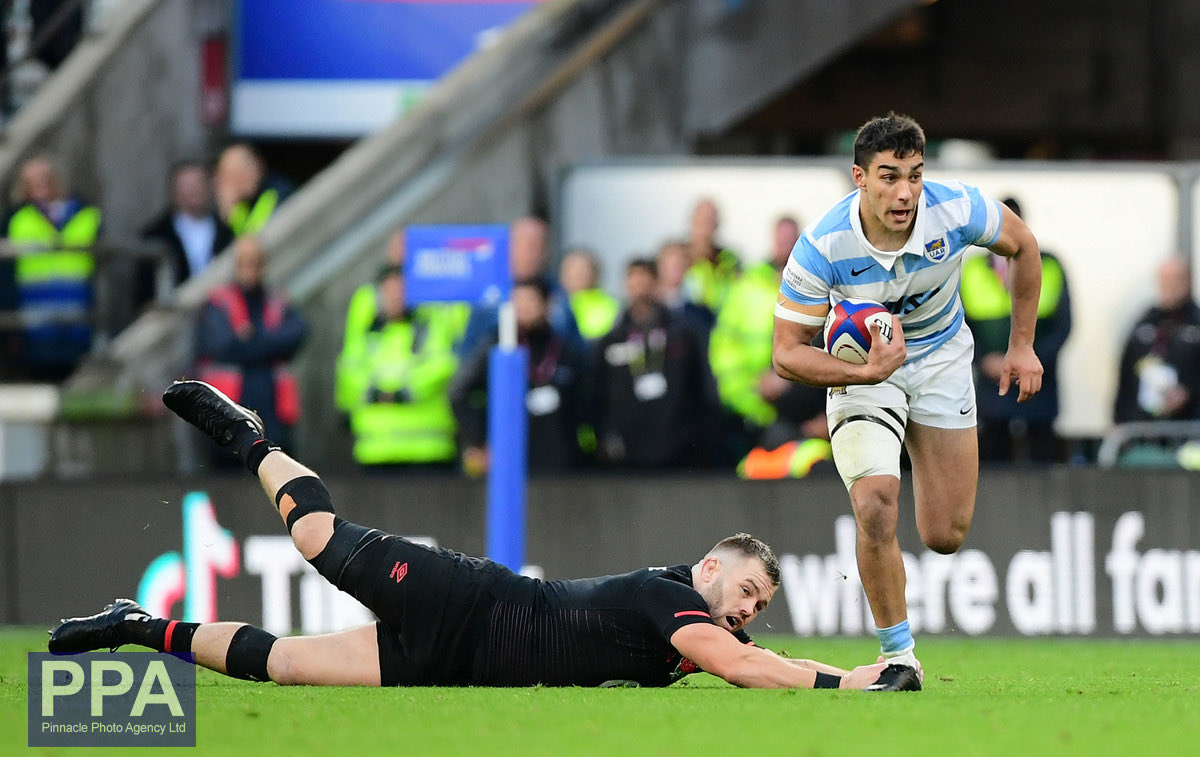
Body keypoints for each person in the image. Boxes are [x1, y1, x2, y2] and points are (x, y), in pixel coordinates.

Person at [48, 379, 889, 691]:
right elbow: (747, 668)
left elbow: (765, 661)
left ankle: (135, 623)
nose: (750, 611)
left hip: (456, 664)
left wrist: (856, 671)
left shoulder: (696, 618)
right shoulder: (667, 599)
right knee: (318, 538)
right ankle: (251, 438)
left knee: (286, 663)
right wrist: (840, 688)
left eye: (760, 604)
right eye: (747, 591)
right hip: (466, 599)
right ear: (711, 567)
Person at [772, 113, 1044, 691]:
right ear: (859, 178)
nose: (904, 192)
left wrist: (1022, 344)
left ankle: (918, 442)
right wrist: (868, 370)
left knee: (946, 534)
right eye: (889, 176)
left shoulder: (956, 208)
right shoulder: (822, 244)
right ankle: (900, 658)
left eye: (915, 176)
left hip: (942, 360)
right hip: (863, 372)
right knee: (875, 503)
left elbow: (1023, 245)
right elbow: (786, 354)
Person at [710, 216, 830, 477]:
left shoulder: (823, 285)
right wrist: (751, 394)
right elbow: (725, 349)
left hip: (810, 406)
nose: (786, 245)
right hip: (760, 410)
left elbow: (830, 348)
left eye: (791, 239)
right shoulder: (748, 286)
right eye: (782, 238)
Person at [961, 197, 1071, 463]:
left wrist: (1029, 360)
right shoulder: (973, 268)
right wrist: (984, 359)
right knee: (993, 460)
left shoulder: (1050, 264)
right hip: (992, 389)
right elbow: (959, 324)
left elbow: (1063, 325)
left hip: (1037, 385)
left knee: (1042, 458)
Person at [450, 277, 589, 475]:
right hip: (508, 458)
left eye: (530, 300)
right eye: (518, 301)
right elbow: (459, 391)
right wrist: (477, 441)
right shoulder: (496, 347)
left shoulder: (565, 351)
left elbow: (585, 401)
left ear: (547, 304)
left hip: (560, 461)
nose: (523, 308)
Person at [590, 259, 720, 468]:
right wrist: (606, 435)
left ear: (657, 283)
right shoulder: (611, 340)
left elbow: (702, 386)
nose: (640, 288)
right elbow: (598, 394)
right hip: (626, 452)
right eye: (634, 280)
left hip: (677, 449)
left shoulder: (683, 334)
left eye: (646, 280)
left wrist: (697, 436)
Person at [334, 259, 463, 469]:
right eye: (389, 290)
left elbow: (441, 366)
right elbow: (349, 372)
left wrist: (387, 390)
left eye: (401, 289)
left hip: (429, 450)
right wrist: (394, 389)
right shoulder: (368, 333)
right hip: (374, 450)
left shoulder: (431, 326)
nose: (395, 297)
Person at [195, 236, 307, 464]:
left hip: (273, 418)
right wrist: (267, 345)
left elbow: (297, 334)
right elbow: (221, 345)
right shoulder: (219, 302)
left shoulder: (277, 301)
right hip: (228, 418)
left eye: (256, 261)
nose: (251, 268)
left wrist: (252, 338)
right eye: (245, 262)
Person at [4, 154, 101, 381]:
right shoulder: (16, 219)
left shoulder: (87, 215)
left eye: (45, 177)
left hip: (79, 319)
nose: (39, 185)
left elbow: (103, 273)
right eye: (31, 180)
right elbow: (6, 276)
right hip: (34, 323)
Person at [457, 216, 580, 359]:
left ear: (546, 252)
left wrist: (542, 324)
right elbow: (468, 353)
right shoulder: (489, 297)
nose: (528, 253)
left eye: (535, 246)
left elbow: (577, 352)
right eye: (521, 244)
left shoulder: (558, 298)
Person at [1113, 256, 1200, 424]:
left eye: (1176, 278)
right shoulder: (1145, 322)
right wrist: (1118, 420)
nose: (1170, 285)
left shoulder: (1196, 323)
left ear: (1188, 281)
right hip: (1142, 428)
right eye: (1165, 279)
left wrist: (1189, 392)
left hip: (1187, 427)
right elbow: (1125, 376)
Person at [140, 160, 234, 288]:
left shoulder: (227, 231)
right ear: (173, 190)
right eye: (185, 185)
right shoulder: (157, 235)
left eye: (197, 183)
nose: (192, 190)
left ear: (209, 186)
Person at [214, 143, 291, 238]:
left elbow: (254, 239)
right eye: (231, 175)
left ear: (258, 165)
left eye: (241, 170)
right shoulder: (239, 203)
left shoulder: (278, 191)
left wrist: (233, 215)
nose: (239, 179)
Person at [683, 198, 741, 313]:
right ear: (693, 221)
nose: (706, 227)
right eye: (703, 221)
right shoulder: (680, 257)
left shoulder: (729, 260)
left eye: (710, 221)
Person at [656, 240, 716, 337]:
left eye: (680, 264)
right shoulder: (648, 307)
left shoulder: (699, 309)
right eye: (671, 265)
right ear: (660, 266)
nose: (675, 269)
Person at [559, 247, 619, 341]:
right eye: (571, 268)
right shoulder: (554, 306)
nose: (578, 274)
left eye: (583, 268)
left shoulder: (611, 305)